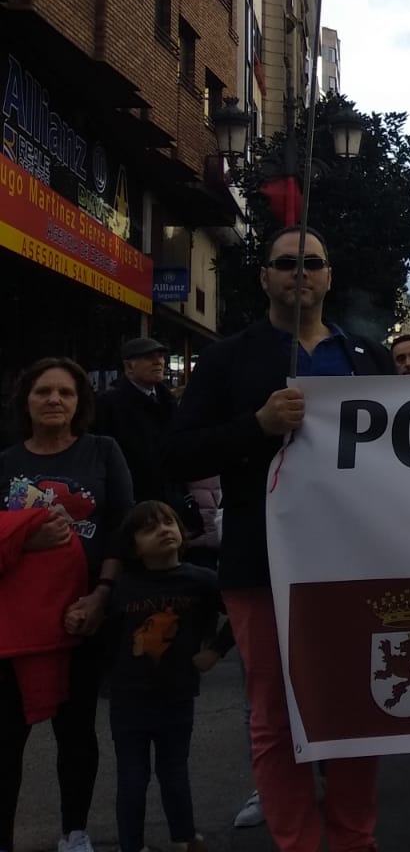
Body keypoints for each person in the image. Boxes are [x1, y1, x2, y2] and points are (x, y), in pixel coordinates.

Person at [164, 226, 392, 852]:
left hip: (355, 562)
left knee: (353, 710)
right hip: (262, 562)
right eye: (286, 263)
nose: (300, 273)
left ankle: (353, 839)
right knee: (273, 714)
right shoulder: (226, 358)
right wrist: (256, 426)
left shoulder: (368, 357)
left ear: (329, 275)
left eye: (313, 262)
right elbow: (178, 452)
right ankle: (296, 843)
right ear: (264, 276)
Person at [2, 356, 134, 852]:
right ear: (26, 401)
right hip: (18, 623)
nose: (54, 400)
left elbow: (124, 527)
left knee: (76, 732)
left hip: (84, 614)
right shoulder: (7, 463)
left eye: (66, 393)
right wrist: (26, 543)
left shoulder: (102, 452)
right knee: (7, 736)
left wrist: (102, 594)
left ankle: (74, 832)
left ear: (80, 403)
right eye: (43, 392)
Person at [104, 500, 232, 852]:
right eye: (149, 528)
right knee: (132, 777)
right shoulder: (123, 587)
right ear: (133, 547)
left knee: (173, 772)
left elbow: (241, 613)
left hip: (177, 696)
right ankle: (131, 845)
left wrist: (215, 651)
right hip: (128, 700)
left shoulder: (203, 580)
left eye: (168, 523)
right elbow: (105, 637)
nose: (163, 530)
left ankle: (184, 837)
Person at [95, 337, 177, 506]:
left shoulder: (168, 401)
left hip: (168, 498)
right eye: (149, 357)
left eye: (161, 356)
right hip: (132, 499)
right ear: (129, 366)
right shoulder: (109, 404)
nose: (158, 362)